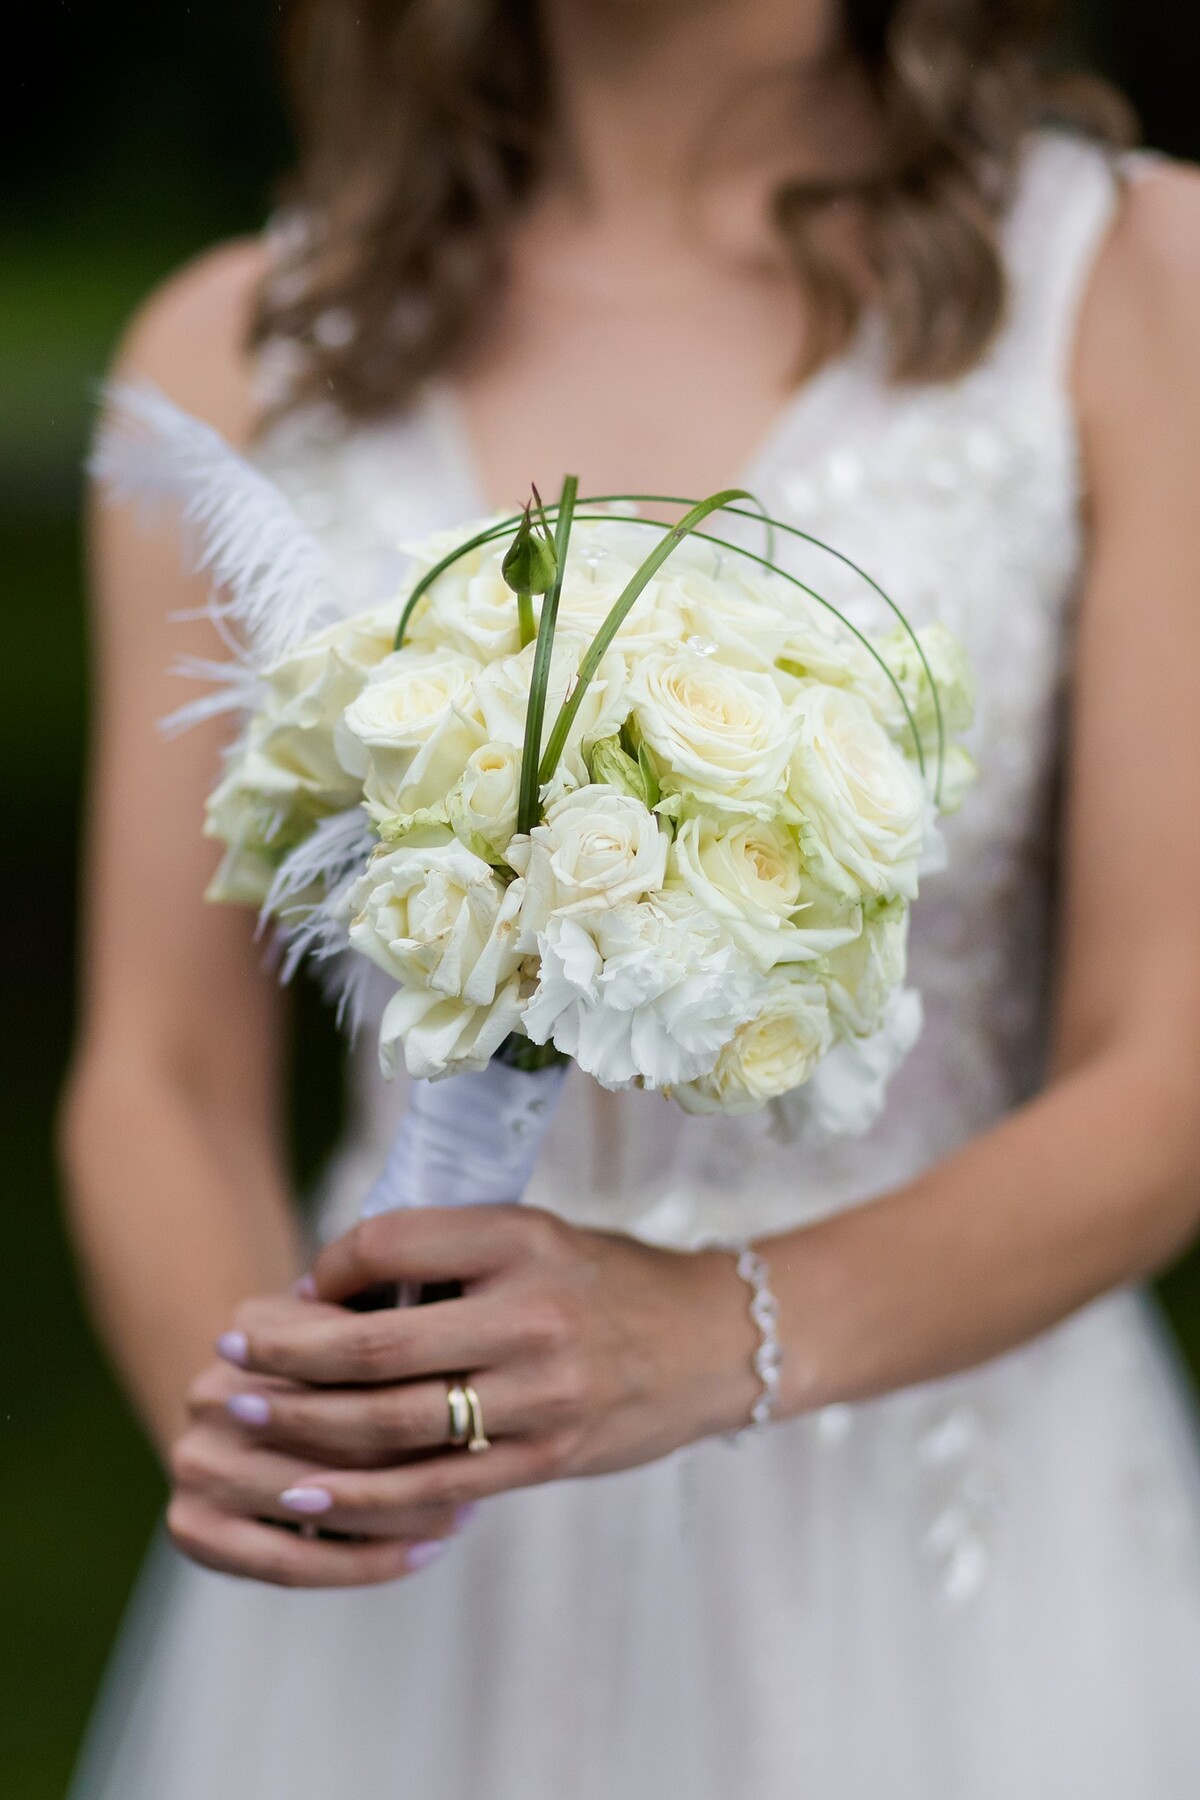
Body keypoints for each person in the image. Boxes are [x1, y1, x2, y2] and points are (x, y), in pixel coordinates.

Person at [63, 1, 1200, 1794]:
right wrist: (307, 1438)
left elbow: (1169, 1065)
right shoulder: (235, 351)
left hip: (929, 1529)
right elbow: (158, 1069)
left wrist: (715, 1330)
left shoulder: (1132, 282)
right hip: (424, 1547)